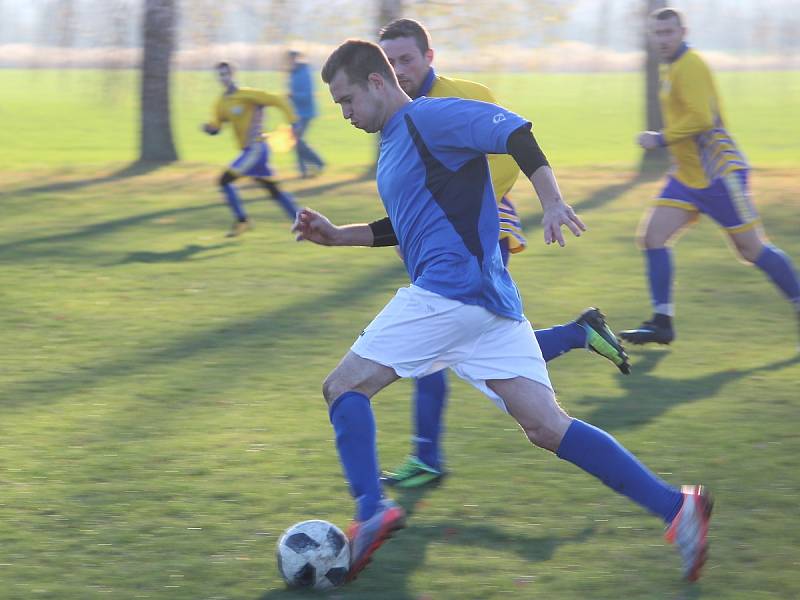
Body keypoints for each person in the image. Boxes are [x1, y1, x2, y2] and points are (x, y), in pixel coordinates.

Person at [293, 39, 712, 583]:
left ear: (376, 82)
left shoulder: (430, 117)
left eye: (347, 100)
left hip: (449, 292)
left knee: (343, 388)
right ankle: (677, 509)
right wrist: (338, 236)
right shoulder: (396, 143)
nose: (344, 113)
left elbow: (514, 131)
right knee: (547, 426)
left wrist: (553, 199)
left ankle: (371, 510)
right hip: (487, 305)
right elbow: (412, 221)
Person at [375, 18, 631, 490]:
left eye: (406, 59)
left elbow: (513, 144)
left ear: (429, 57)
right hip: (438, 240)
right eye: (389, 62)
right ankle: (579, 333)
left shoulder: (463, 95)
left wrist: (486, 208)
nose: (398, 70)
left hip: (480, 229)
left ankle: (427, 457)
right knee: (482, 345)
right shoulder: (396, 113)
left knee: (441, 348)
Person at [619, 8, 800, 345]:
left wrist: (659, 138)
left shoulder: (692, 65)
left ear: (682, 31)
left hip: (719, 174)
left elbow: (702, 118)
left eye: (668, 32)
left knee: (751, 249)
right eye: (657, 33)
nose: (662, 39)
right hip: (687, 176)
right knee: (652, 237)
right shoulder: (671, 68)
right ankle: (662, 322)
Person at [202, 61, 299, 237]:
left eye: (226, 74)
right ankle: (302, 221)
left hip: (257, 148)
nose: (223, 78)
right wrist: (211, 128)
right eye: (220, 75)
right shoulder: (221, 103)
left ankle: (242, 221)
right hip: (249, 151)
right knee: (273, 190)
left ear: (233, 74)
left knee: (224, 180)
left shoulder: (248, 95)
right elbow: (217, 123)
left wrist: (293, 121)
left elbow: (277, 100)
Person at [287, 50, 326, 178]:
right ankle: (303, 171)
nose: (291, 61)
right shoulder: (293, 73)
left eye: (293, 59)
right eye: (289, 59)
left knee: (297, 141)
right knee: (296, 141)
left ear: (298, 58)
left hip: (306, 112)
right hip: (295, 113)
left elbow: (308, 95)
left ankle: (318, 162)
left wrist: (293, 96)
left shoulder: (305, 73)